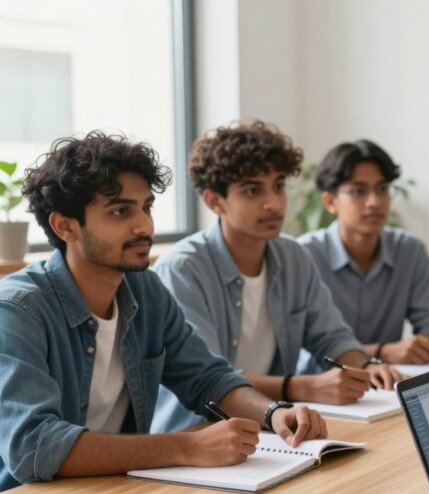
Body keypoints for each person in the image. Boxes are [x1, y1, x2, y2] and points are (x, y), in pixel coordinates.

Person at [0, 131, 327, 492]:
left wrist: (274, 413)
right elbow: (34, 446)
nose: (145, 226)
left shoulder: (146, 291)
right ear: (66, 225)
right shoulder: (17, 310)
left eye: (147, 207)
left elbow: (209, 379)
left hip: (118, 493)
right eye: (121, 211)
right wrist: (188, 447)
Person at [151, 122, 401, 434]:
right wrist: (302, 387)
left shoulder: (292, 257)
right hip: (197, 434)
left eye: (279, 185)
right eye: (253, 190)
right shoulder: (181, 270)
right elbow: (209, 377)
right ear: (215, 201)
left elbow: (332, 337)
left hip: (272, 432)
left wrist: (368, 367)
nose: (274, 203)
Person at [298, 140, 429, 367]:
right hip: (320, 387)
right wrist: (381, 352)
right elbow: (304, 347)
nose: (374, 202)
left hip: (386, 385)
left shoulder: (409, 250)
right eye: (358, 191)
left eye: (382, 189)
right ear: (330, 201)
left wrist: (420, 346)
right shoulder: (304, 255)